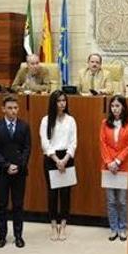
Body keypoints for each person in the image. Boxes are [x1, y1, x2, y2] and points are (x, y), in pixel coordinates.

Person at [0, 95, 31, 248]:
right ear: (3, 109)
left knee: (18, 204)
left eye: (15, 108)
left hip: (19, 172)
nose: (13, 111)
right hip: (1, 172)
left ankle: (18, 235)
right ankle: (2, 236)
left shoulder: (24, 126)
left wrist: (19, 165)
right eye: (10, 108)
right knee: (2, 204)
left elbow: (27, 149)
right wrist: (6, 166)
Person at [40, 90, 77, 241]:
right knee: (52, 194)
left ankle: (63, 226)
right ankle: (53, 226)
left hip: (67, 158)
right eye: (59, 101)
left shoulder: (70, 120)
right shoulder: (46, 120)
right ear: (53, 103)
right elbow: (45, 143)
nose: (62, 103)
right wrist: (57, 160)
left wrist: (65, 159)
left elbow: (73, 142)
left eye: (64, 100)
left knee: (65, 194)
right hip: (52, 158)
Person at [99, 95, 128, 241]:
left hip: (123, 166)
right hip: (108, 167)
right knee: (110, 200)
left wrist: (117, 161)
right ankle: (113, 228)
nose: (115, 109)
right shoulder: (104, 123)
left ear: (123, 107)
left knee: (122, 200)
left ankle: (123, 227)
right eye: (113, 106)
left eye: (118, 106)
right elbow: (103, 144)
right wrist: (109, 162)